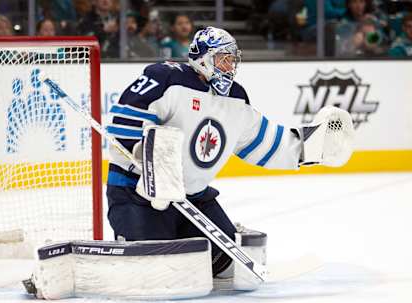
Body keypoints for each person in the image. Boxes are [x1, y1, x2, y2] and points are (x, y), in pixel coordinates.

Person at [105, 27, 352, 278]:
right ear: (203, 58)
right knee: (153, 273)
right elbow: (124, 120)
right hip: (138, 196)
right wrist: (144, 159)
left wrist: (308, 149)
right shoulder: (168, 78)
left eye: (232, 59)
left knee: (228, 268)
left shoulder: (235, 99)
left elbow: (262, 140)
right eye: (223, 58)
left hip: (193, 201)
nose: (229, 65)